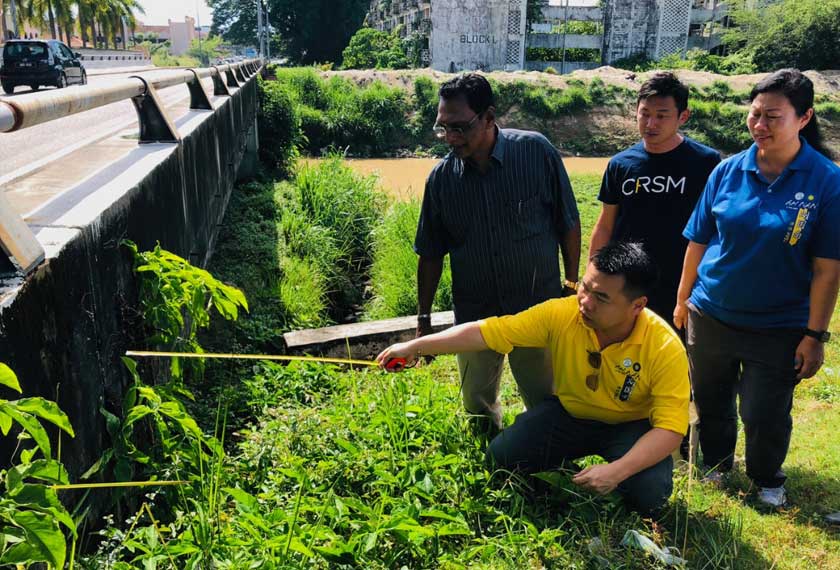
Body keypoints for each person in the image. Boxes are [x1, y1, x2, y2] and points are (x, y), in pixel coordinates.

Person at [380, 242, 689, 515]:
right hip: (570, 414)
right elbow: (489, 331)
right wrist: (416, 346)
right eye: (585, 286)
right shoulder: (561, 314)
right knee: (500, 459)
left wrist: (617, 472)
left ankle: (613, 471)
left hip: (630, 426)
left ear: (637, 306)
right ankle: (568, 465)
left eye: (602, 298)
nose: (585, 302)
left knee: (651, 498)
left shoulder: (663, 347)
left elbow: (670, 429)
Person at [674, 69, 840, 508]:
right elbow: (698, 240)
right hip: (712, 313)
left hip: (778, 325)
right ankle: (715, 464)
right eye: (754, 114)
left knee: (764, 411)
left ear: (804, 118)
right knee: (710, 399)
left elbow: (827, 270)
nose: (760, 125)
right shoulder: (728, 170)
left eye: (773, 116)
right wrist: (682, 299)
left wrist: (814, 335)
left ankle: (767, 477)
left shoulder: (825, 181)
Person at [414, 73, 581, 435]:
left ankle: (551, 464)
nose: (450, 138)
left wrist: (571, 283)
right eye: (443, 128)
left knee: (545, 398)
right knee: (476, 404)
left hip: (536, 307)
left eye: (459, 127)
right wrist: (424, 319)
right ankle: (491, 462)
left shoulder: (536, 153)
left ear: (489, 117)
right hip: (476, 313)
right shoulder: (441, 180)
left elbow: (567, 221)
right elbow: (430, 253)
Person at [589, 71, 720, 323]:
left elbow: (714, 228)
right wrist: (592, 275)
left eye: (661, 116)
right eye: (645, 114)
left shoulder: (705, 162)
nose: (651, 124)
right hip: (626, 280)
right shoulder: (620, 164)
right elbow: (606, 224)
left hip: (680, 279)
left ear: (683, 116)